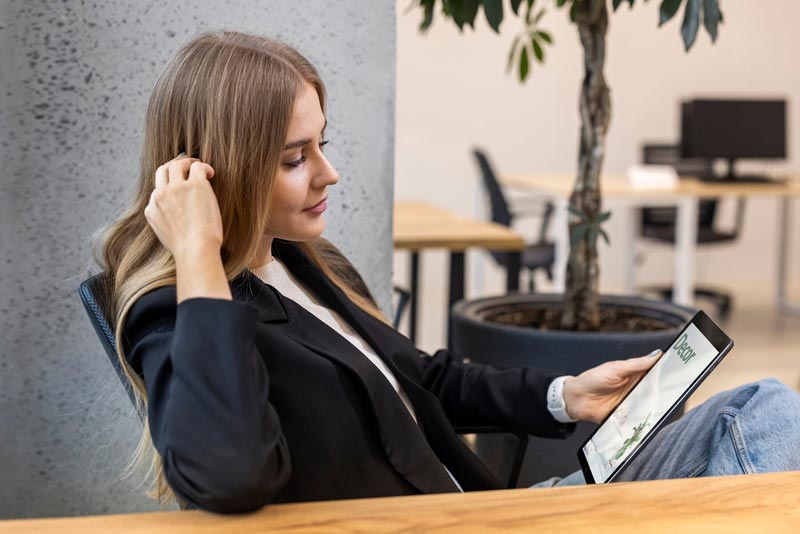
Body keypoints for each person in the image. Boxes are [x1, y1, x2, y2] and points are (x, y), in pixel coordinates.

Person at [98, 31, 800, 514]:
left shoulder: (302, 264)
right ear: (214, 172)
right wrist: (196, 254)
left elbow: (423, 378)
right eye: (293, 158)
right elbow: (227, 474)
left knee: (763, 406)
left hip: (494, 508)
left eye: (323, 144)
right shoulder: (181, 310)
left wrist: (565, 396)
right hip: (453, 522)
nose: (328, 173)